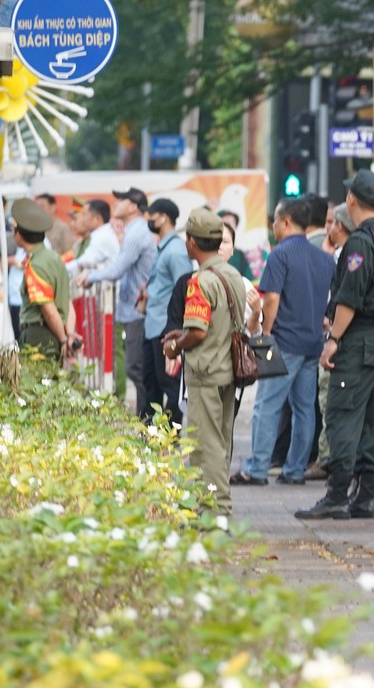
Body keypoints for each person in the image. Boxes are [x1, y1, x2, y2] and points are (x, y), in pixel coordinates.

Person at [294, 170, 374, 520]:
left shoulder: (359, 243)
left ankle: (337, 494)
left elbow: (351, 299)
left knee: (341, 415)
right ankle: (366, 496)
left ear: (351, 200)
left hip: (360, 340)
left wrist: (334, 339)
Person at [232, 197, 336, 486]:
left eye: (275, 221)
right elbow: (332, 300)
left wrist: (265, 331)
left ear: (287, 222)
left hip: (283, 342)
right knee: (305, 409)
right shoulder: (325, 259)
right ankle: (294, 470)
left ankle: (256, 469)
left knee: (267, 405)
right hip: (312, 343)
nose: (273, 226)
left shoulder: (280, 254)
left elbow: (272, 298)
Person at [161, 209, 246, 515]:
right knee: (220, 443)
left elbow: (197, 331)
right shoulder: (233, 274)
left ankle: (213, 511)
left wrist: (174, 346)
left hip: (206, 373)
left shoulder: (200, 281)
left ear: (192, 243)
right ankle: (216, 507)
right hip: (228, 372)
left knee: (204, 446)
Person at [76, 187, 155, 410]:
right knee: (135, 367)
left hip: (137, 310)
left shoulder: (137, 234)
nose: (116, 204)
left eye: (121, 200)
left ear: (133, 207)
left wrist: (90, 276)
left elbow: (117, 270)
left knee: (135, 368)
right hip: (132, 308)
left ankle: (148, 420)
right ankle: (147, 418)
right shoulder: (132, 232)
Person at [303, 203, 356, 482]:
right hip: (345, 337)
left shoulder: (345, 256)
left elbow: (341, 298)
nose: (328, 228)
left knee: (328, 400)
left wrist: (332, 330)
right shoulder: (345, 253)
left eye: (333, 223)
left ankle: (327, 459)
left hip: (336, 337)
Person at [140, 199, 193, 425]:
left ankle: (170, 434)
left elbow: (185, 290)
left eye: (152, 215)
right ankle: (150, 433)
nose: (150, 220)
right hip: (153, 323)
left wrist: (177, 331)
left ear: (163, 217)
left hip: (165, 327)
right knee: (150, 382)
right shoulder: (164, 247)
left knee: (169, 384)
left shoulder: (176, 251)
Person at [11, 198, 78, 360]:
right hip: (55, 333)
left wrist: (63, 340)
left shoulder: (36, 265)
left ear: (19, 236)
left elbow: (48, 311)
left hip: (39, 337)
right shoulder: (54, 258)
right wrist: (68, 334)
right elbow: (66, 302)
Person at [67, 200, 120, 275]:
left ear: (97, 219)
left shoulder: (102, 237)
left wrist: (61, 268)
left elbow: (84, 262)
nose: (83, 219)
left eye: (84, 214)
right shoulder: (101, 234)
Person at [217, 209, 255, 281]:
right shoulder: (209, 251)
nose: (229, 227)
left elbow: (249, 280)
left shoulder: (239, 255)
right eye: (226, 223)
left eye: (232, 224)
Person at [34, 192, 74, 258]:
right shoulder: (36, 228)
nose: (39, 210)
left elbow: (69, 253)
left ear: (53, 207)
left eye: (42, 206)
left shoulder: (63, 228)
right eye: (37, 207)